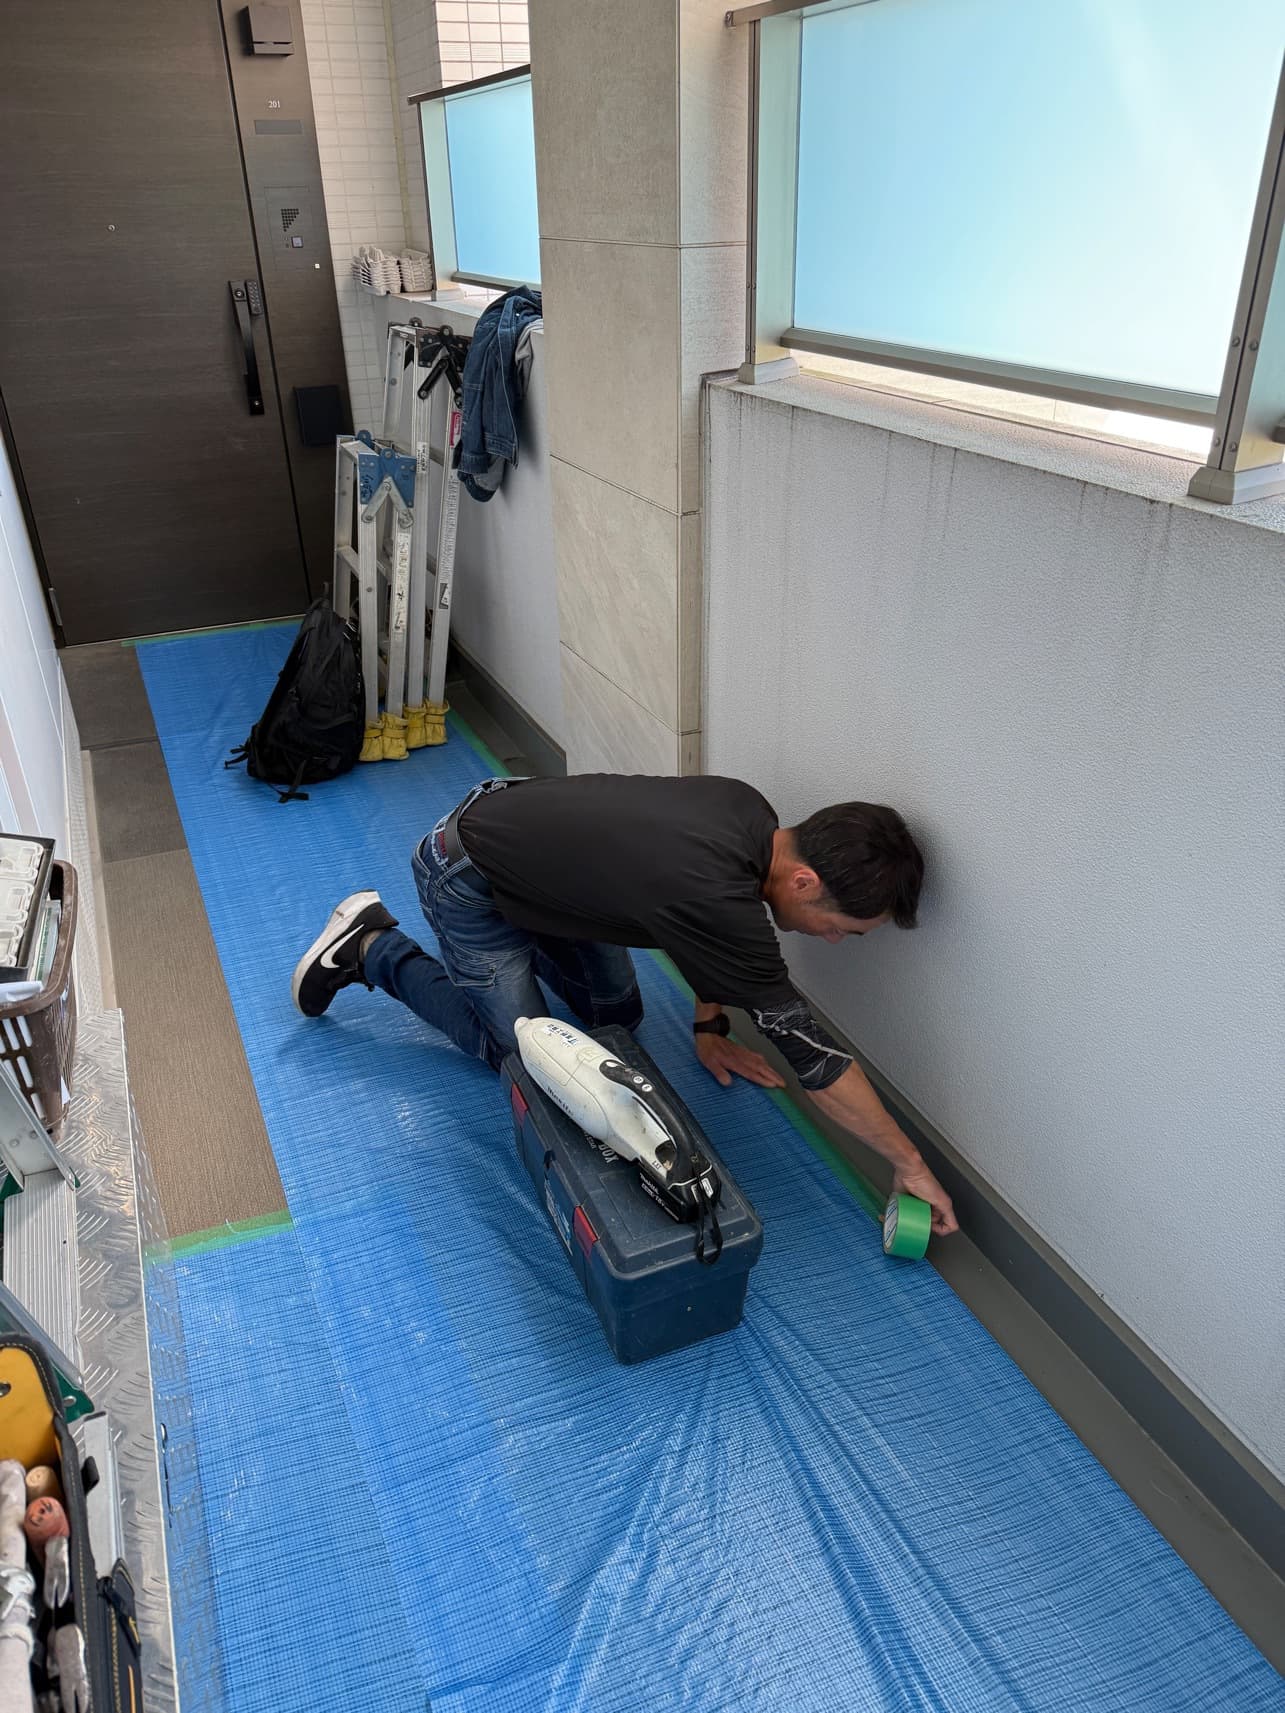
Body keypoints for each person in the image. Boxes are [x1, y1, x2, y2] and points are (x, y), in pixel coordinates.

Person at [292, 774, 958, 1236]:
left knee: (616, 1021)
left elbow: (714, 931)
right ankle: (372, 947)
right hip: (463, 872)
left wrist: (709, 1023)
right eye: (842, 928)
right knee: (522, 1059)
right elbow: (814, 1060)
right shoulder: (712, 892)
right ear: (805, 880)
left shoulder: (749, 814)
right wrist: (910, 1164)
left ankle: (521, 942)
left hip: (535, 852)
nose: (834, 940)